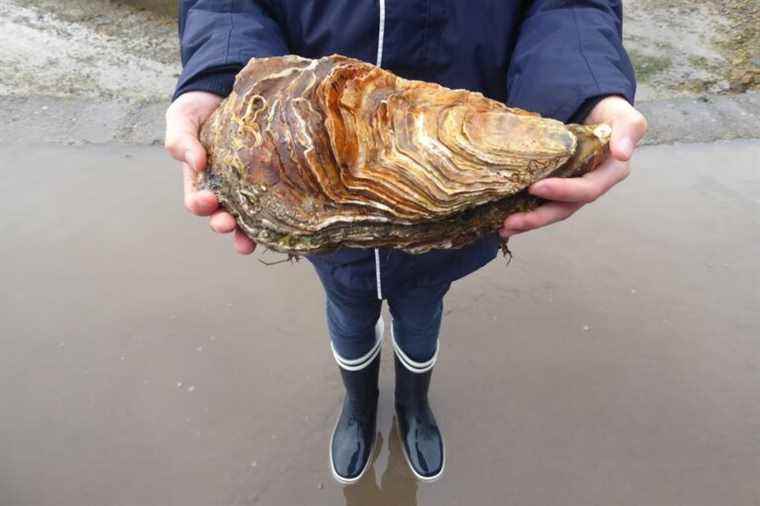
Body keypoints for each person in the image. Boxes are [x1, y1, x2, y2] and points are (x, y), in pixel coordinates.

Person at [165, 0, 647, 485]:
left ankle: (413, 405)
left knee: (420, 314)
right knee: (349, 313)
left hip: (450, 207)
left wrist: (583, 89)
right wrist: (222, 75)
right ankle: (359, 408)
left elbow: (567, 7)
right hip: (313, 183)